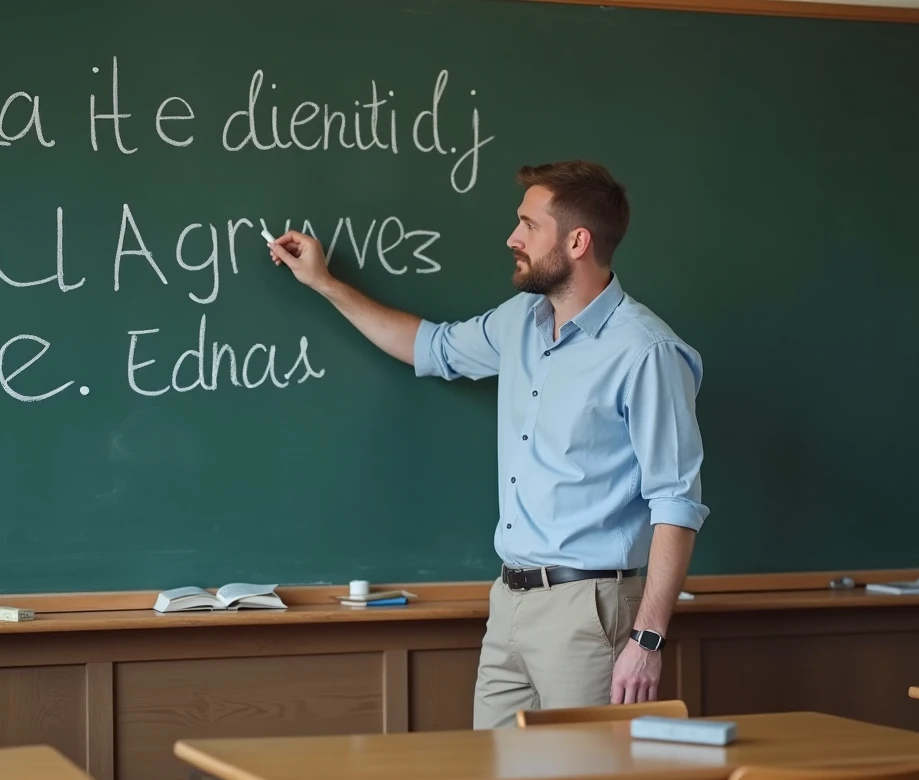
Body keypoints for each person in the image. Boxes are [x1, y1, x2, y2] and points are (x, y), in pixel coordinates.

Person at [266, 160, 708, 729]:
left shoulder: (645, 352)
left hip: (588, 610)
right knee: (493, 778)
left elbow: (676, 503)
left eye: (528, 224)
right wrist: (324, 283)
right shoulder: (521, 321)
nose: (512, 238)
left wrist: (647, 639)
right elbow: (431, 348)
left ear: (577, 241)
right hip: (509, 603)